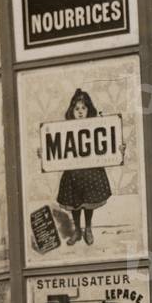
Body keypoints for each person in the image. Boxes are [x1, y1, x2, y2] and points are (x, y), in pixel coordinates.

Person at [57, 89, 112, 246]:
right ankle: (77, 230)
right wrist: (45, 153)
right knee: (75, 202)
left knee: (89, 201)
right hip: (73, 173)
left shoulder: (95, 127)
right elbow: (58, 148)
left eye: (83, 108)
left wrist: (117, 149)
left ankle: (88, 228)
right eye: (77, 109)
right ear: (72, 110)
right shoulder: (66, 129)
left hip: (91, 172)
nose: (80, 112)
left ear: (89, 110)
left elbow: (106, 144)